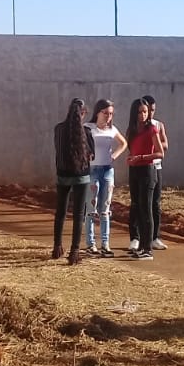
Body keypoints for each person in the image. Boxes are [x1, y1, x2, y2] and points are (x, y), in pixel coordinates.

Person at [84, 99, 127, 257]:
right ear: (98, 112)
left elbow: (123, 143)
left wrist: (113, 156)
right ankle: (90, 244)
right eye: (106, 113)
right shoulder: (88, 128)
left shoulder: (112, 129)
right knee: (91, 206)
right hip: (92, 170)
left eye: (111, 114)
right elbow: (79, 144)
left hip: (107, 170)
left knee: (106, 207)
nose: (108, 116)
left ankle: (105, 244)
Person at [52, 98, 93, 265]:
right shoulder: (86, 131)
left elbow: (58, 149)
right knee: (78, 214)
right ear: (82, 113)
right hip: (81, 176)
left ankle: (57, 247)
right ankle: (74, 251)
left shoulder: (58, 129)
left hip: (62, 175)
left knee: (60, 212)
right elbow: (91, 155)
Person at [129, 94, 170, 251]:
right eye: (140, 112)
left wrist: (143, 156)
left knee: (151, 206)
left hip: (150, 168)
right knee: (137, 204)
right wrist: (134, 158)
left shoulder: (154, 127)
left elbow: (162, 150)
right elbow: (130, 147)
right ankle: (137, 239)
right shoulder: (132, 129)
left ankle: (150, 243)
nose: (145, 115)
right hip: (135, 169)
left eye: (147, 111)